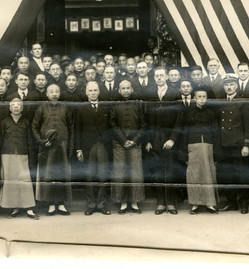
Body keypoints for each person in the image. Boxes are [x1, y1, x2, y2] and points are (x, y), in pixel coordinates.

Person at [172, 86, 218, 214]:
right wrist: (183, 152)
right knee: (194, 175)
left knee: (208, 174)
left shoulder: (211, 113)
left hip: (208, 146)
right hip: (192, 146)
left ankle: (210, 203)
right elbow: (181, 131)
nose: (202, 99)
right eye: (199, 97)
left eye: (204, 97)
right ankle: (195, 204)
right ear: (194, 98)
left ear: (207, 98)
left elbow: (216, 133)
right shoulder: (187, 112)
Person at [32, 84, 74, 216]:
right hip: (48, 146)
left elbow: (71, 128)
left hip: (62, 145)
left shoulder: (65, 107)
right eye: (51, 91)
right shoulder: (41, 108)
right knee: (49, 174)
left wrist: (70, 146)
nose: (54, 94)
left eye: (57, 91)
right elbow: (34, 127)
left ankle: (61, 204)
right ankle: (50, 204)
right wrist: (41, 141)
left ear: (60, 93)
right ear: (47, 94)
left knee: (62, 174)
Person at [215, 74, 249, 214]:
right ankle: (231, 202)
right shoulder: (221, 102)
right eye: (226, 85)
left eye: (231, 84)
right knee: (227, 175)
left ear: (236, 86)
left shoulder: (243, 102)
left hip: (238, 145)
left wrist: (246, 145)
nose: (229, 87)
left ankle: (244, 203)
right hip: (224, 144)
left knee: (242, 175)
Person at [145, 67, 180, 215]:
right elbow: (147, 120)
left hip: (169, 138)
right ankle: (160, 203)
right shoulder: (151, 94)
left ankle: (171, 203)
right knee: (158, 172)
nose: (159, 78)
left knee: (170, 170)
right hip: (155, 139)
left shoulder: (174, 93)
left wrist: (172, 139)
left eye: (161, 75)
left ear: (166, 77)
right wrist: (148, 140)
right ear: (154, 78)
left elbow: (179, 120)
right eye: (156, 76)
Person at [0, 98, 39, 220]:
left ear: (22, 108)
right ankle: (14, 208)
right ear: (10, 108)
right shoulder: (4, 122)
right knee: (11, 181)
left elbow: (30, 141)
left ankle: (29, 208)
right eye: (13, 106)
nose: (16, 107)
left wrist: (31, 157)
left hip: (22, 153)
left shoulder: (26, 122)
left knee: (24, 180)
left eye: (18, 105)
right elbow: (0, 140)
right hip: (7, 154)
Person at [75, 81, 112, 215]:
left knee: (103, 175)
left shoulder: (106, 106)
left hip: (103, 144)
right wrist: (78, 148)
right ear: (86, 93)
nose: (93, 93)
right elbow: (77, 129)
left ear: (99, 92)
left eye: (95, 90)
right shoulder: (81, 108)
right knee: (90, 175)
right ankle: (90, 205)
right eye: (90, 91)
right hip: (87, 145)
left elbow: (110, 127)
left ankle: (102, 204)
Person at [110, 80, 146, 214]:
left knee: (135, 172)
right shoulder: (114, 105)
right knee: (120, 172)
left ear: (131, 89)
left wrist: (134, 141)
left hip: (135, 143)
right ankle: (123, 202)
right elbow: (112, 123)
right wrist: (123, 140)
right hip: (119, 143)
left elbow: (144, 125)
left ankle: (135, 202)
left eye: (128, 88)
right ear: (119, 90)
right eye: (123, 88)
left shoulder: (138, 104)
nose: (125, 90)